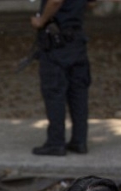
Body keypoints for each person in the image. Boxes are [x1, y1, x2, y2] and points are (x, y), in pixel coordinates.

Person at [30, 0, 91, 156]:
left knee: (54, 92)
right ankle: (80, 140)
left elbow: (55, 1)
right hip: (77, 39)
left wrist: (41, 20)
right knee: (78, 92)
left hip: (57, 42)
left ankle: (56, 142)